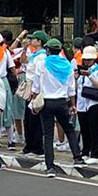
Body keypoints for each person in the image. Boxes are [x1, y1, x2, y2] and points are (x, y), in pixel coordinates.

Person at [30, 38, 83, 177]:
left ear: (47, 50)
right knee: (69, 129)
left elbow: (36, 87)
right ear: (60, 50)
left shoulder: (42, 64)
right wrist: (72, 104)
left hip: (46, 102)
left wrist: (33, 101)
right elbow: (72, 89)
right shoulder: (67, 65)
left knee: (47, 134)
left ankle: (50, 167)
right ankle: (77, 157)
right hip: (61, 102)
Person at [75, 45, 98, 163]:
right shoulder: (81, 71)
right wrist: (77, 76)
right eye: (85, 60)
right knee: (84, 129)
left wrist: (90, 75)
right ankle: (85, 151)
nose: (87, 62)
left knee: (94, 129)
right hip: (82, 104)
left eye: (89, 60)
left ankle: (95, 154)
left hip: (94, 102)